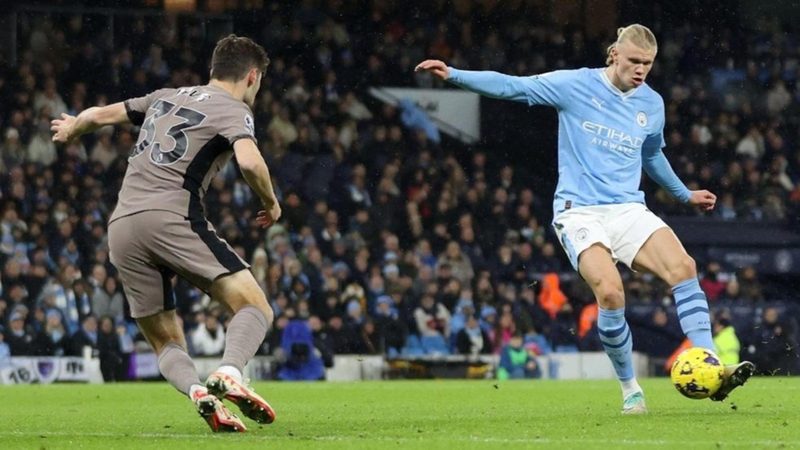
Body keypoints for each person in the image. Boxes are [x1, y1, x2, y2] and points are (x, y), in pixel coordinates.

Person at [416, 23, 754, 414]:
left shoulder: (651, 103)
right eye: (634, 61)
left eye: (647, 63)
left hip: (627, 208)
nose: (641, 70)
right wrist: (454, 74)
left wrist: (684, 194)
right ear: (614, 54)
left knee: (684, 267)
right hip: (579, 211)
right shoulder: (575, 85)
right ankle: (630, 389)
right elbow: (513, 86)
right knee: (610, 293)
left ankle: (711, 365)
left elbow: (651, 155)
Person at [51, 35, 280, 432]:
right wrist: (271, 202)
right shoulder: (234, 109)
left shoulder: (165, 97)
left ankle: (198, 392)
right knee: (255, 307)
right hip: (171, 216)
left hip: (122, 226)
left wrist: (73, 128)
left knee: (166, 342)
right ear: (252, 76)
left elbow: (98, 116)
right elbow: (249, 161)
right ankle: (230, 372)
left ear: (213, 69)